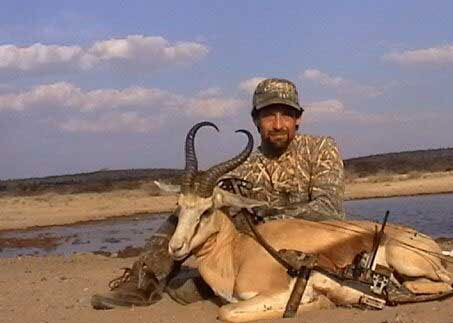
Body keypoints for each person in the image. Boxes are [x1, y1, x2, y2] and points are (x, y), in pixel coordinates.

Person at [91, 78, 345, 309]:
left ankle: (211, 285)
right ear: (256, 120)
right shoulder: (242, 167)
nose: (278, 124)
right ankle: (142, 284)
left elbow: (329, 209)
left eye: (286, 115)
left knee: (190, 288)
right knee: (191, 208)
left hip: (312, 246)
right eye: (269, 116)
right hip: (262, 253)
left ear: (298, 118)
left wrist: (268, 216)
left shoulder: (321, 149)